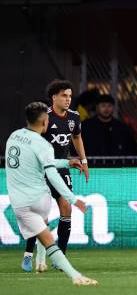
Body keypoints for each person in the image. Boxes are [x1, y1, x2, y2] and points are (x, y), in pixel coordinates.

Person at [6, 102, 97, 285]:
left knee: (45, 236)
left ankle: (49, 266)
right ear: (45, 121)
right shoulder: (42, 144)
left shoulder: (14, 137)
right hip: (38, 198)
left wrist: (66, 163)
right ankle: (58, 269)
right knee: (47, 232)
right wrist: (73, 199)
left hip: (18, 203)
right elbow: (53, 176)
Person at [22, 80, 89, 271]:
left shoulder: (74, 118)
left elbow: (77, 137)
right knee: (40, 215)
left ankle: (60, 257)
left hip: (61, 170)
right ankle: (28, 254)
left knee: (66, 208)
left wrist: (84, 162)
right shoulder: (44, 118)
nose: (68, 99)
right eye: (64, 96)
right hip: (40, 171)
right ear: (54, 97)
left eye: (69, 96)